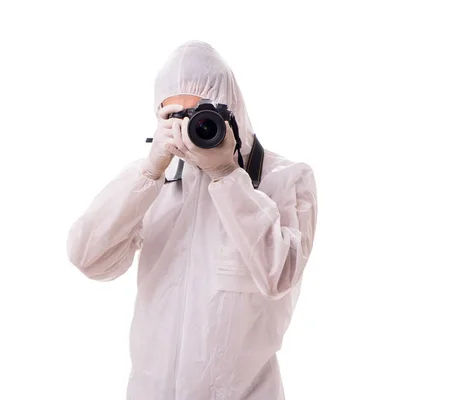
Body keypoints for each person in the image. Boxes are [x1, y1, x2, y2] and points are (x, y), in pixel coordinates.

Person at [66, 40, 318, 400]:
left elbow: (281, 275)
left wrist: (229, 176)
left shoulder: (286, 178)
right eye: (173, 117)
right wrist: (149, 173)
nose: (188, 127)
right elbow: (87, 257)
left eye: (200, 113)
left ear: (230, 110)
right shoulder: (155, 181)